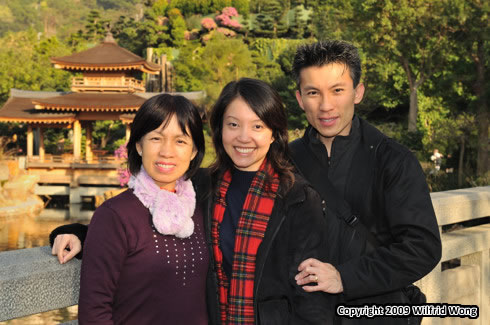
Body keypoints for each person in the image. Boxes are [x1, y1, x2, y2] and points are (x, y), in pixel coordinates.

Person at [51, 78, 336, 324]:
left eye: (258, 126)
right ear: (219, 131)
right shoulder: (202, 186)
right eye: (233, 124)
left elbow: (312, 296)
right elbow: (135, 222)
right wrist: (81, 233)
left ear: (274, 133)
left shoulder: (297, 198)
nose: (244, 137)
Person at [290, 40, 442, 324]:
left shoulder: (392, 160)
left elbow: (422, 247)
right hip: (302, 316)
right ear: (300, 98)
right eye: (313, 93)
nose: (326, 106)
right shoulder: (285, 161)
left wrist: (344, 277)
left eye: (337, 90)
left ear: (357, 92)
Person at [65, 93, 208, 324]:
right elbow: (95, 312)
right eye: (156, 139)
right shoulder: (114, 215)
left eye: (180, 141)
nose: (167, 151)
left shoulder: (202, 208)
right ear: (139, 145)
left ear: (193, 152)